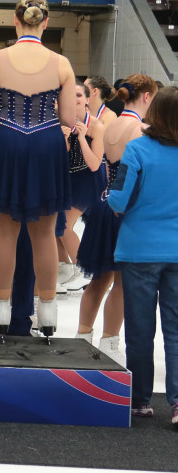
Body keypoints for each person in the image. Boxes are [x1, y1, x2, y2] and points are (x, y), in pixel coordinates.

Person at [0, 0, 76, 336]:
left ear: (15, 20)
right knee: (45, 234)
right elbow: (68, 117)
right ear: (45, 22)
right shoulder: (61, 64)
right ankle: (47, 312)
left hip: (6, 140)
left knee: (4, 232)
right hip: (46, 142)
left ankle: (0, 310)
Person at [107, 85, 178, 425]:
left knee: (140, 329)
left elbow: (118, 200)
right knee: (176, 330)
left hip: (139, 250)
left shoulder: (137, 150)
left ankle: (140, 400)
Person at [77, 75, 156, 364]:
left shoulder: (110, 125)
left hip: (103, 203)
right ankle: (109, 341)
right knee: (122, 282)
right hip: (126, 210)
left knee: (98, 279)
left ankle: (82, 337)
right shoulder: (142, 130)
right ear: (147, 97)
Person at [59, 79, 106, 287]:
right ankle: (64, 269)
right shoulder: (60, 121)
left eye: (79, 95)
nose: (75, 99)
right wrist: (65, 140)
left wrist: (80, 139)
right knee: (53, 225)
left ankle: (83, 270)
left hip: (89, 180)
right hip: (67, 179)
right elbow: (60, 159)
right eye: (71, 95)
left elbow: (95, 164)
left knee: (64, 225)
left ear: (88, 99)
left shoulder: (96, 126)